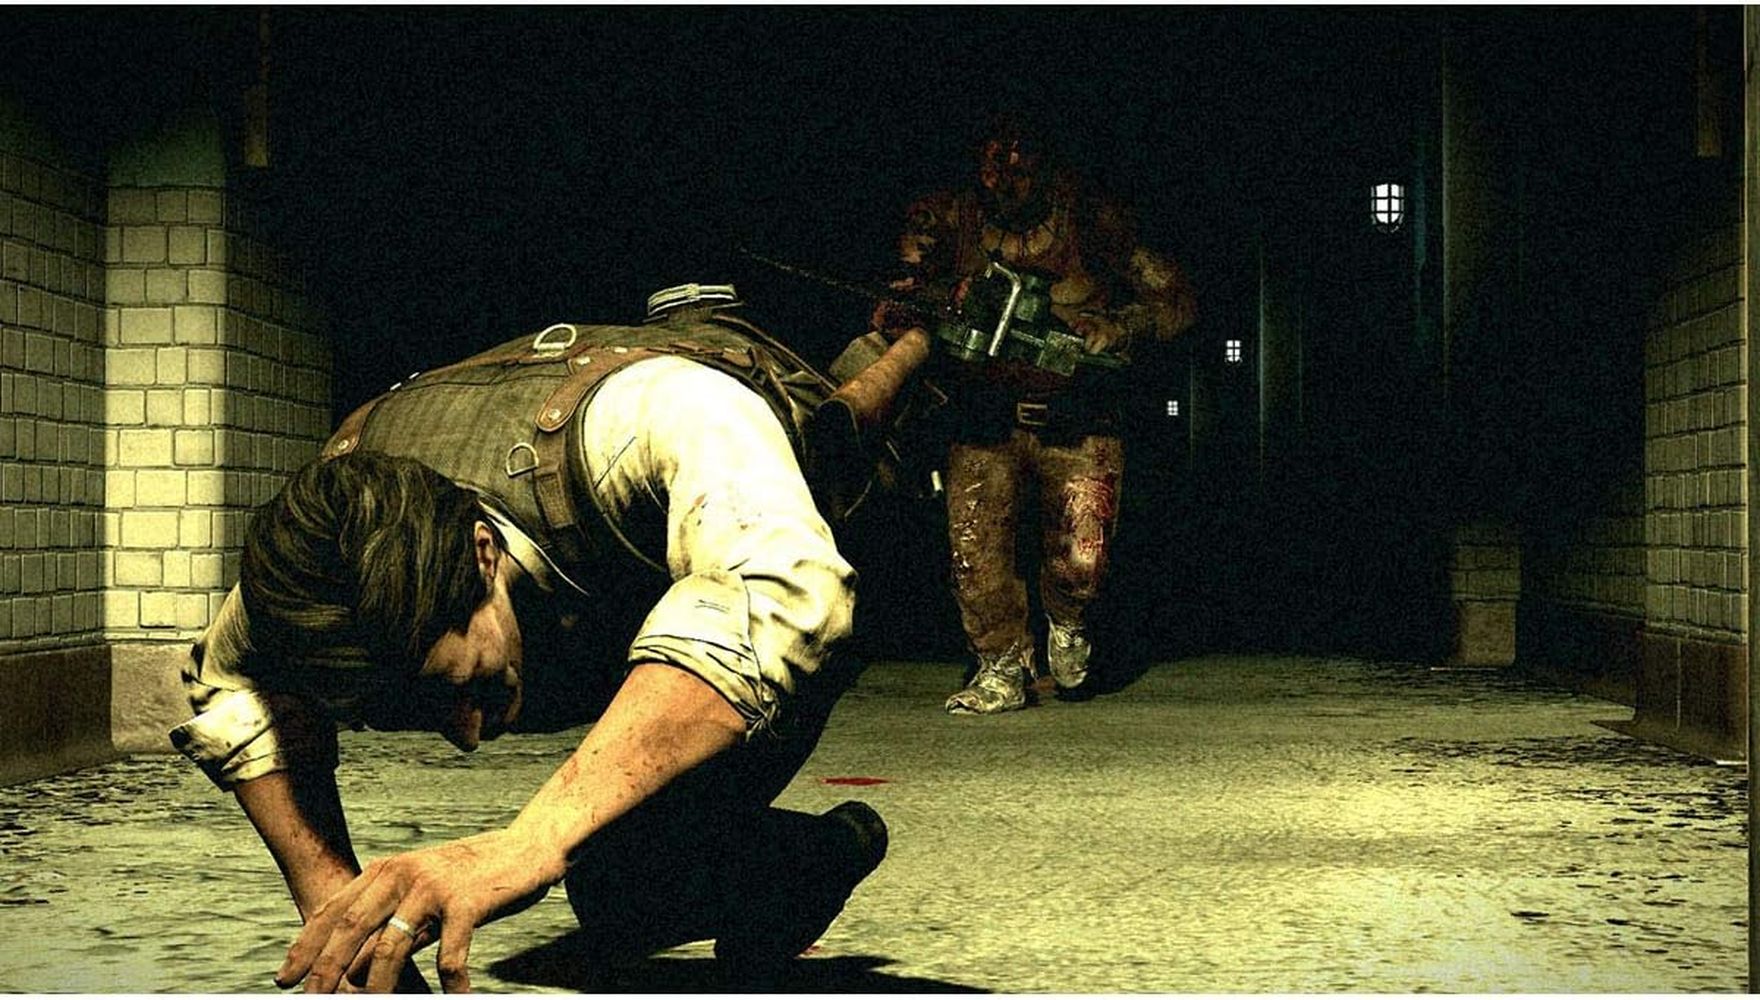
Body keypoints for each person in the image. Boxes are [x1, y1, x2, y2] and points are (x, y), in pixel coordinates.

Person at [170, 285, 892, 992]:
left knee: (626, 883)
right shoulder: (318, 566)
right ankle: (750, 886)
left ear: (482, 554)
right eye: (418, 713)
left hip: (788, 586)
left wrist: (529, 843)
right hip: (633, 612)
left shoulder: (661, 417)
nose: (467, 738)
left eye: (463, 687)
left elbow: (788, 592)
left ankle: (825, 852)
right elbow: (225, 680)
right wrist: (340, 911)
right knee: (616, 894)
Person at [873, 112, 1198, 715]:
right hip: (983, 417)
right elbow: (895, 296)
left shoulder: (1094, 222)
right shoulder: (946, 219)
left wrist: (1120, 326)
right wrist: (939, 299)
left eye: (1022, 163)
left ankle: (1069, 624)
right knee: (975, 553)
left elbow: (1175, 298)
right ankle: (1000, 665)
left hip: (1079, 420)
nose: (1007, 178)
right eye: (995, 164)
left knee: (1082, 561)